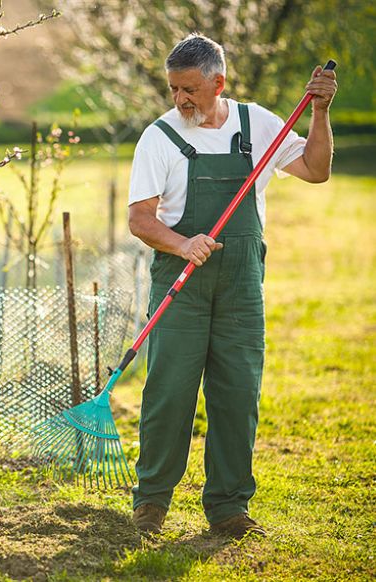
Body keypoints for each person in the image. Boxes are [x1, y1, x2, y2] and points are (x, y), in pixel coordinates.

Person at [127, 33, 337, 539]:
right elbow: (139, 219)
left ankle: (228, 508)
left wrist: (320, 113)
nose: (181, 100)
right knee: (169, 395)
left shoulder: (256, 124)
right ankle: (151, 504)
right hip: (182, 282)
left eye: (191, 90)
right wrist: (182, 244)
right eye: (174, 89)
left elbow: (315, 169)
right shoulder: (159, 137)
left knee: (238, 395)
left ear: (218, 83)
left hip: (242, 285)